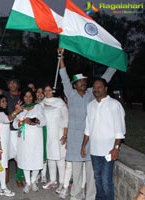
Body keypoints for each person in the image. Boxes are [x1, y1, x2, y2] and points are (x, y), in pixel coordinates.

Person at [58, 48, 116, 200]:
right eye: (80, 82)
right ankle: (76, 195)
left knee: (91, 173)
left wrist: (115, 63)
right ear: (74, 85)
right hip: (75, 140)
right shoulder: (70, 94)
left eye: (84, 81)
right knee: (76, 172)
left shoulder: (92, 93)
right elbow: (64, 77)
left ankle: (90, 196)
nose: (83, 83)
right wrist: (61, 57)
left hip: (91, 139)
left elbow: (105, 78)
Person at [81, 78, 125, 200]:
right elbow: (88, 129)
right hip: (94, 150)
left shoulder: (114, 105)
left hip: (109, 151)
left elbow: (119, 130)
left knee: (106, 181)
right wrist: (83, 145)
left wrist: (116, 148)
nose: (96, 89)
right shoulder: (90, 106)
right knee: (98, 179)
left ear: (105, 88)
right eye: (94, 87)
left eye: (99, 87)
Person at [0, 63, 24, 187]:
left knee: (19, 155)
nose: (12, 85)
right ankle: (5, 178)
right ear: (8, 84)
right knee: (5, 156)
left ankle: (20, 177)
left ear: (18, 84)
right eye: (10, 83)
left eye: (15, 83)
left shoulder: (23, 96)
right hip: (5, 130)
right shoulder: (4, 94)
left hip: (18, 130)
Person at [13, 88, 46, 193]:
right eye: (26, 96)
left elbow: (44, 121)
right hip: (23, 140)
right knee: (25, 159)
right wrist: (23, 121)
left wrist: (36, 121)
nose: (28, 98)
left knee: (36, 159)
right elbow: (14, 124)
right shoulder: (20, 108)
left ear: (33, 97)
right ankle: (27, 182)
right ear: (23, 97)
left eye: (30, 96)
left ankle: (33, 181)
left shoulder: (38, 107)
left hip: (36, 138)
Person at [41, 84, 68, 195]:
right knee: (50, 158)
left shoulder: (59, 102)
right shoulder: (41, 103)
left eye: (49, 90)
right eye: (45, 90)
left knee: (60, 159)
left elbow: (66, 118)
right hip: (48, 134)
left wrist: (65, 134)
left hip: (59, 133)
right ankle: (53, 180)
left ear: (53, 91)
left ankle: (62, 182)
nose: (47, 92)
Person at [0, 95, 22, 197]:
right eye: (2, 102)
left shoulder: (3, 113)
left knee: (2, 165)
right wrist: (15, 111)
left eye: (5, 101)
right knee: (2, 165)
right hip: (0, 144)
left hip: (4, 144)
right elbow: (7, 119)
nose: (5, 103)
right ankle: (3, 188)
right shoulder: (0, 114)